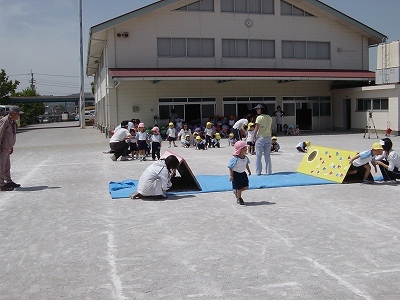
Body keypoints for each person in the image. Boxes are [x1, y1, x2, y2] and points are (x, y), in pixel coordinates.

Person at [0, 106, 23, 191]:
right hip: (2, 148)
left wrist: (11, 146)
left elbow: (11, 134)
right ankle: (1, 184)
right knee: (1, 166)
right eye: (17, 114)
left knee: (7, 166)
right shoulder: (5, 121)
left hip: (7, 147)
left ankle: (8, 181)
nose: (18, 116)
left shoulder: (13, 122)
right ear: (13, 113)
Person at [227, 141, 251, 205]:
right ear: (241, 149)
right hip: (236, 174)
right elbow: (230, 167)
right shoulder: (235, 159)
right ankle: (239, 198)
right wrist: (231, 176)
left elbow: (246, 164)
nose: (246, 149)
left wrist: (249, 171)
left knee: (246, 187)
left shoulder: (245, 158)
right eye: (245, 148)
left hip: (243, 174)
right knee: (239, 188)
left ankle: (237, 192)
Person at [252, 104, 272, 176]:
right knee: (267, 156)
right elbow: (270, 128)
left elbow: (256, 129)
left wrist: (253, 137)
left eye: (258, 109)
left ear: (262, 109)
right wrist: (271, 136)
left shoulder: (259, 118)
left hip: (260, 137)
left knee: (258, 155)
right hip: (268, 137)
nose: (257, 110)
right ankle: (268, 171)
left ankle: (258, 172)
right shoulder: (269, 117)